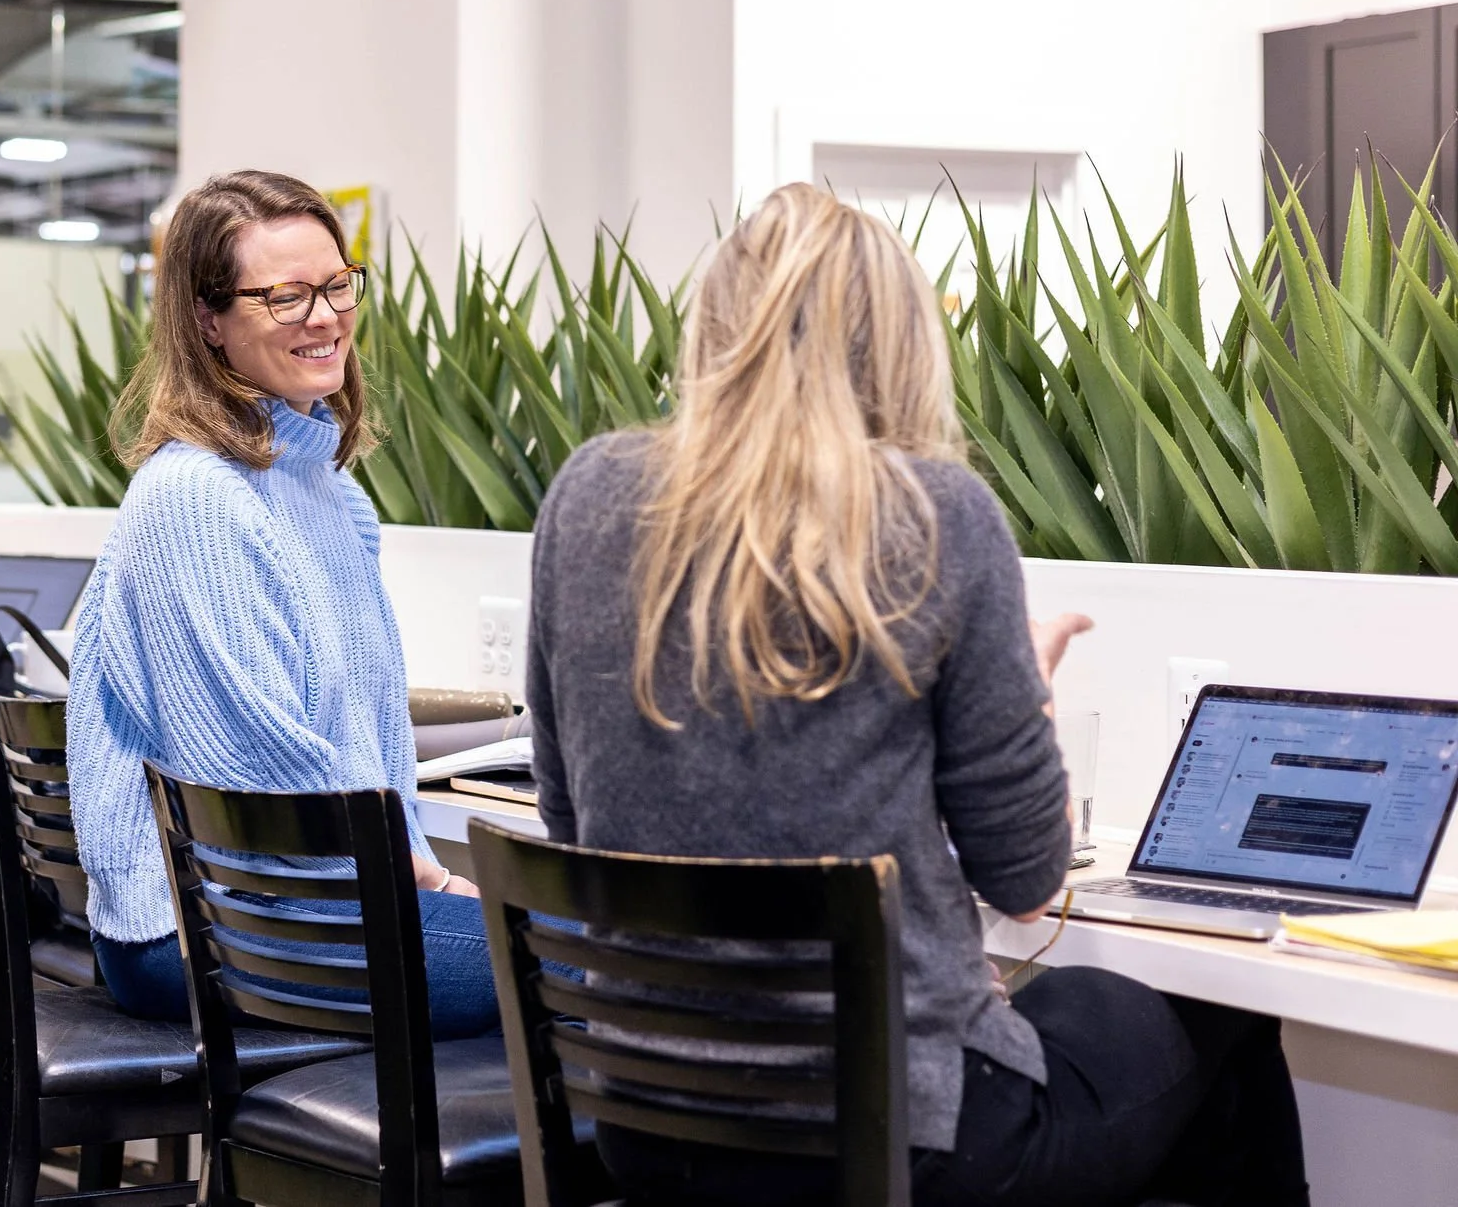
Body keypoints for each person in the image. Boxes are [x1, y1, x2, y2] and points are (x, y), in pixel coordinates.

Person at [525, 184, 1308, 1207]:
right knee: (1219, 1017)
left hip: (648, 1118)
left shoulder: (586, 493)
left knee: (1075, 1005)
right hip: (897, 1137)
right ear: (899, 342)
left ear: (712, 325)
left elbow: (568, 818)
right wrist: (1017, 683)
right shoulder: (937, 515)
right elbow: (1025, 875)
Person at [64, 170, 499, 1037]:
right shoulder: (193, 491)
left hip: (302, 900)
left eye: (338, 285)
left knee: (604, 964)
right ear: (207, 320)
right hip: (215, 928)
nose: (326, 316)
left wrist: (422, 871)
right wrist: (425, 872)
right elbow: (250, 765)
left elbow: (350, 732)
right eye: (286, 295)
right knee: (597, 973)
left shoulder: (333, 497)